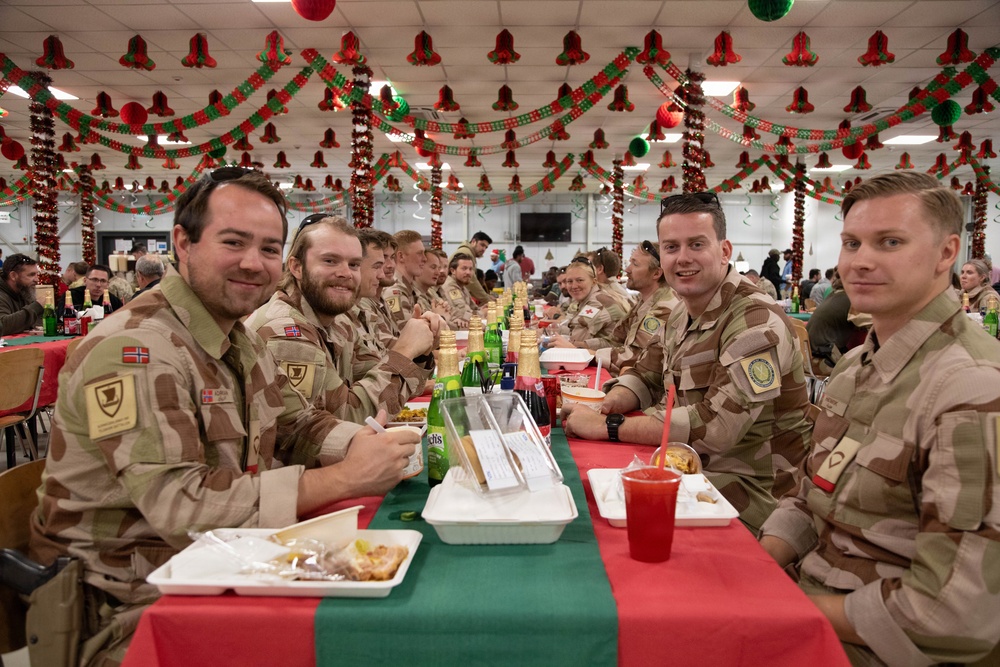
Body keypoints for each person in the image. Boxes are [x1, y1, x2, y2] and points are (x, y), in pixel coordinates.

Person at [27, 168, 419, 665]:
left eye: (269, 249)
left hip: (222, 560)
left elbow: (294, 425)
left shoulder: (235, 336)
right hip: (130, 606)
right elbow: (182, 504)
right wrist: (344, 477)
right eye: (234, 242)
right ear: (183, 244)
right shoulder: (135, 350)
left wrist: (358, 445)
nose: (253, 264)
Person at [758, 171, 1000, 666]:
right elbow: (811, 496)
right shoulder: (855, 367)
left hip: (883, 646)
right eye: (852, 242)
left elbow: (953, 615)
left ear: (946, 252)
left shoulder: (971, 388)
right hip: (811, 598)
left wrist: (782, 609)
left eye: (890, 242)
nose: (861, 261)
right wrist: (755, 569)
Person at [563, 192, 811, 533]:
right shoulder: (681, 311)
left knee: (602, 528)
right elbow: (646, 374)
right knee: (580, 499)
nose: (682, 258)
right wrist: (611, 402)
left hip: (746, 495)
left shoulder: (755, 321)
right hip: (687, 472)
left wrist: (609, 427)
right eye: (671, 247)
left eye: (696, 245)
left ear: (724, 251)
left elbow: (717, 428)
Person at [247, 216, 435, 425]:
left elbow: (382, 378)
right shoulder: (286, 330)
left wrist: (420, 350)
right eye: (330, 261)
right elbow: (346, 418)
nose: (346, 273)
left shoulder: (336, 322)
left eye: (354, 264)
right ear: (296, 267)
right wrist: (405, 352)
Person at [549, 241, 679, 375]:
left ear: (656, 273)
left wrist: (580, 353)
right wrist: (578, 347)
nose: (627, 269)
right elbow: (615, 340)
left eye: (635, 264)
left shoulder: (663, 308)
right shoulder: (644, 302)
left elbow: (635, 357)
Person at [550, 258, 619, 346]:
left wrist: (545, 337)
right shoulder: (587, 298)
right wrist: (546, 330)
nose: (574, 286)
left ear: (594, 282)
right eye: (569, 281)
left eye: (580, 280)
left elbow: (576, 338)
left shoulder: (597, 303)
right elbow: (574, 328)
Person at [805, 276, 867, 374]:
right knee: (867, 369)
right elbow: (870, 324)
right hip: (824, 359)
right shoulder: (851, 298)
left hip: (809, 357)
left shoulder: (833, 295)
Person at [383, 229, 425, 327]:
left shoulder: (410, 287)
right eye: (419, 253)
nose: (424, 259)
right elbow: (407, 331)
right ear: (401, 256)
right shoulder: (394, 290)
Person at [0, 253, 44, 335]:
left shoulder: (24, 291)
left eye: (37, 274)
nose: (37, 279)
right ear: (13, 276)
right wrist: (37, 306)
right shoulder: (2, 296)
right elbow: (3, 325)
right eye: (31, 275)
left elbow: (38, 323)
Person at [588, 246, 633, 314]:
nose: (583, 270)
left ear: (599, 269)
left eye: (588, 266)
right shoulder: (622, 292)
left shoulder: (599, 296)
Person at [451, 231, 493, 303]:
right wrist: (487, 299)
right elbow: (472, 282)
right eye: (482, 245)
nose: (484, 249)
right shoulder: (466, 253)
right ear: (473, 241)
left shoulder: (467, 252)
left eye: (486, 247)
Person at [441, 253, 476, 329]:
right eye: (464, 268)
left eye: (470, 269)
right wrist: (480, 314)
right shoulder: (451, 286)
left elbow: (474, 309)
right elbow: (462, 313)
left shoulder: (463, 287)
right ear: (453, 270)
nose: (468, 272)